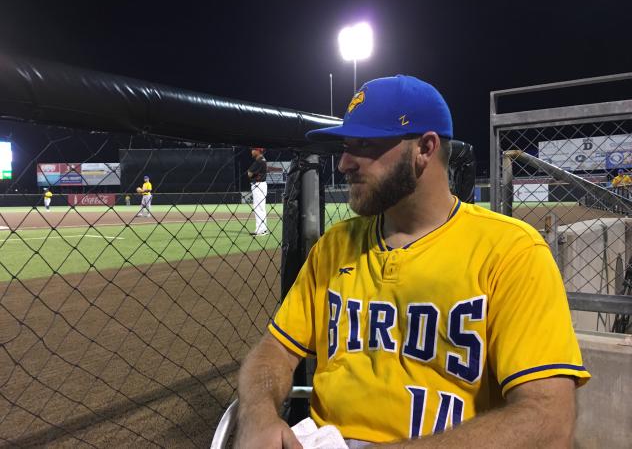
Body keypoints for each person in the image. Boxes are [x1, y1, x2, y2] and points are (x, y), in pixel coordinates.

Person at [235, 75, 590, 448]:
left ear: (424, 148)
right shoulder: (335, 246)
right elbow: (275, 349)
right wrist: (257, 414)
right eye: (345, 145)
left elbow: (549, 422)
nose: (343, 163)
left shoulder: (511, 251)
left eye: (365, 144)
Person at [247, 147, 268, 236]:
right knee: (261, 208)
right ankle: (263, 229)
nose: (252, 151)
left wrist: (252, 175)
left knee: (258, 208)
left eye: (253, 149)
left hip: (258, 185)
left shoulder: (259, 161)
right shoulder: (263, 159)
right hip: (261, 185)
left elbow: (249, 173)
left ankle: (260, 230)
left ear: (258, 151)